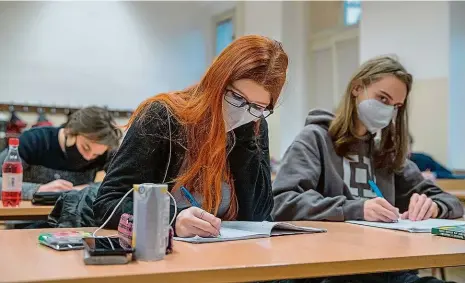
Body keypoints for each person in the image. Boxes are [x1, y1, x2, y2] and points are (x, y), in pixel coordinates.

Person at [272, 56, 463, 283]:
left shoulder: (386, 151)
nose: (388, 111)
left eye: (396, 106)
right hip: (330, 270)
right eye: (382, 98)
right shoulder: (315, 139)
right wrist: (357, 209)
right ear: (357, 88)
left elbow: (452, 203)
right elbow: (283, 201)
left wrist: (434, 207)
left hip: (389, 268)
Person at [93, 35, 288, 238]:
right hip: (166, 256)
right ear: (217, 81)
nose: (241, 113)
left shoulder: (253, 124)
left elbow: (260, 216)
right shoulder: (162, 116)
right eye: (237, 97)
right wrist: (172, 219)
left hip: (228, 254)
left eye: (258, 106)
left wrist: (246, 137)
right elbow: (107, 203)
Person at [0, 106, 122, 200]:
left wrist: (88, 189)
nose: (88, 157)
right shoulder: (34, 140)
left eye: (96, 155)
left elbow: (121, 185)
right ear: (71, 131)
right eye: (85, 148)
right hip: (28, 221)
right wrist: (39, 189)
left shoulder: (106, 151)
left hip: (75, 222)